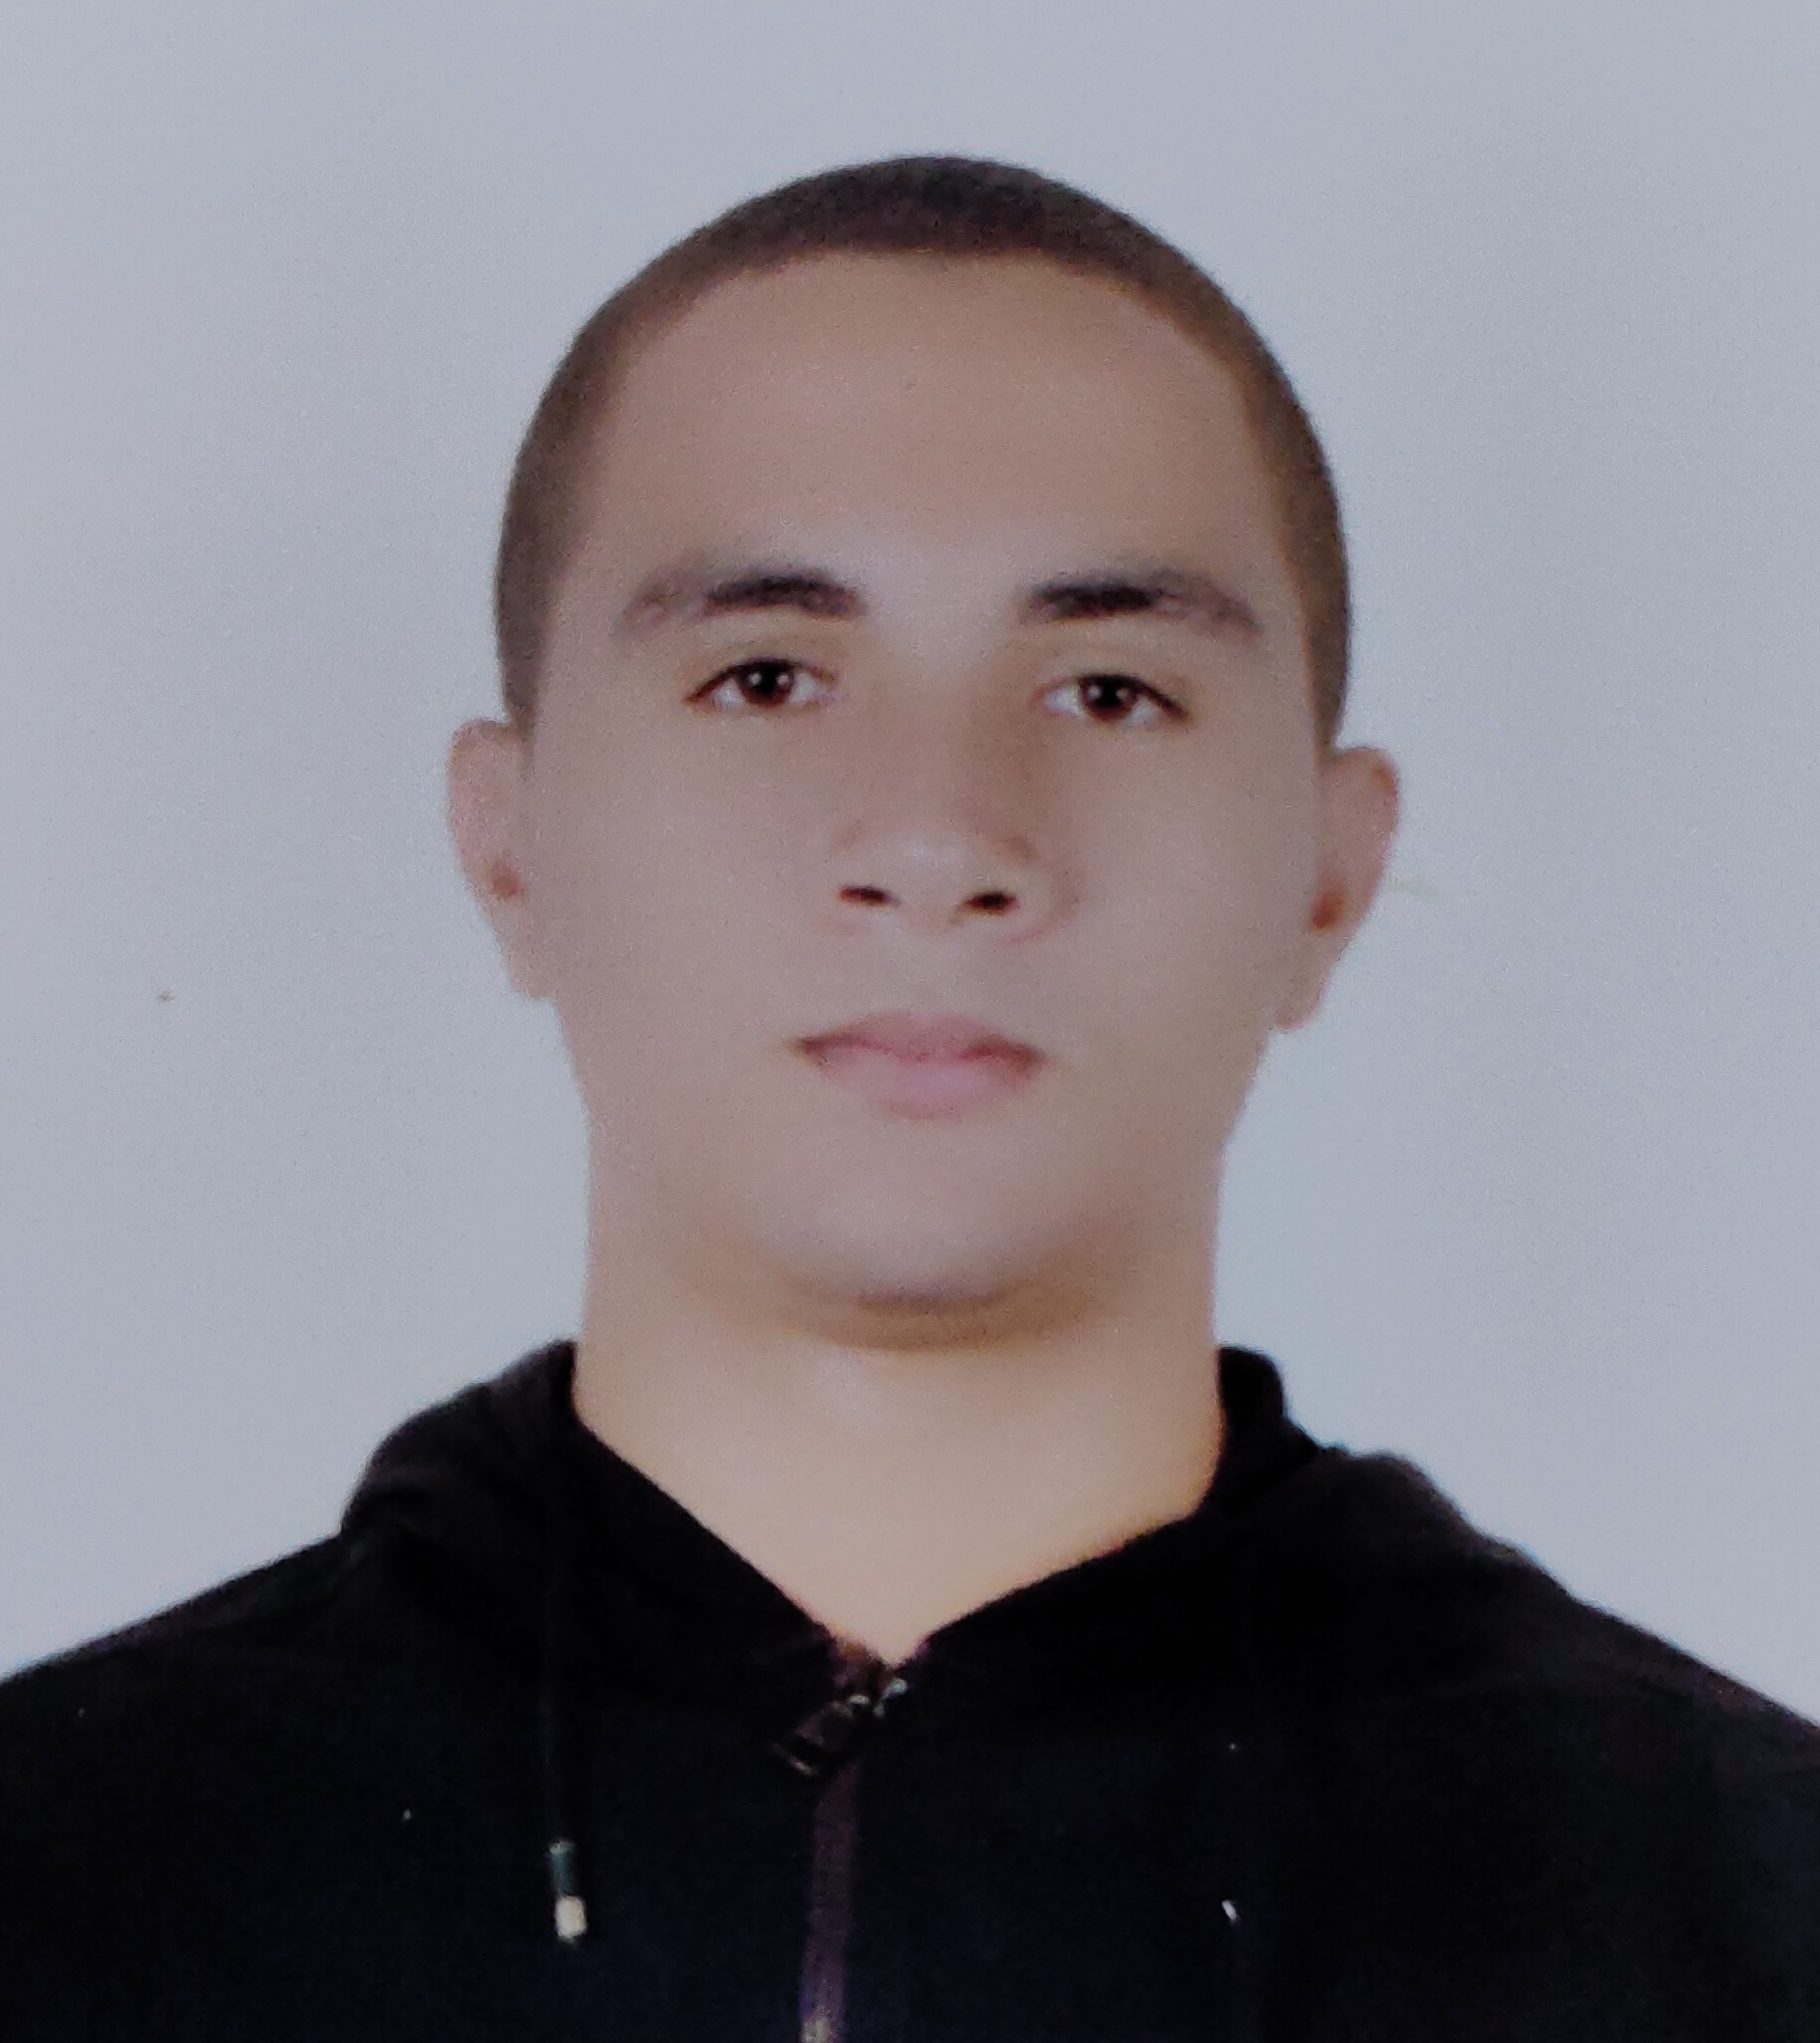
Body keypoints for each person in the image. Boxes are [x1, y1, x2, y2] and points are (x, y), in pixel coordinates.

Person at [2, 155, 1815, 2043]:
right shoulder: (62, 1870)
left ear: (1329, 876)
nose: (941, 840)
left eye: (1105, 690)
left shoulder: (1742, 1909)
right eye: (768, 677)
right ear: (508, 843)